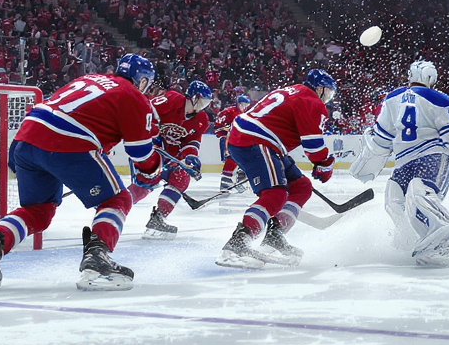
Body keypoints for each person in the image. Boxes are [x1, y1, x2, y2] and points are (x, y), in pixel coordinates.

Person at [0, 54, 160, 292]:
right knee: (118, 199)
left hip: (26, 139)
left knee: (38, 211)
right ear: (142, 80)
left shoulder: (90, 78)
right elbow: (140, 153)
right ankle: (97, 262)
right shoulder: (133, 95)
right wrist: (153, 171)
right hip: (68, 142)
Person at [348, 61, 449, 266]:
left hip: (421, 158)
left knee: (403, 197)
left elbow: (381, 140)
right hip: (430, 159)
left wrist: (367, 158)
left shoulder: (392, 98)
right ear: (430, 78)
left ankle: (446, 240)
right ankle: (410, 241)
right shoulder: (441, 99)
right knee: (407, 197)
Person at [217, 69, 338, 269]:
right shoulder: (311, 100)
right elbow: (314, 147)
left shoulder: (292, 90)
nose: (328, 99)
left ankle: (275, 235)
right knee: (275, 194)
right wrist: (325, 164)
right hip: (256, 139)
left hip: (251, 136)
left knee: (301, 186)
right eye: (329, 93)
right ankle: (239, 241)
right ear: (319, 88)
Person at [135, 80, 212, 240]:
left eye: (207, 103)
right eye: (202, 102)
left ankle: (158, 219)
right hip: (149, 151)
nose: (203, 107)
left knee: (181, 179)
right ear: (194, 97)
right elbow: (146, 110)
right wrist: (152, 136)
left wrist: (190, 157)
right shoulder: (170, 100)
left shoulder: (201, 119)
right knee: (146, 183)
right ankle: (116, 207)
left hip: (172, 157)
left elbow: (192, 142)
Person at [214, 94, 251, 193]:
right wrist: (228, 131)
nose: (244, 107)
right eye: (242, 104)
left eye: (246, 105)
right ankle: (225, 183)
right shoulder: (228, 111)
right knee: (231, 159)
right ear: (238, 103)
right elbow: (218, 127)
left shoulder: (247, 114)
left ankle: (240, 179)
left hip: (240, 141)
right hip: (227, 139)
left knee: (243, 159)